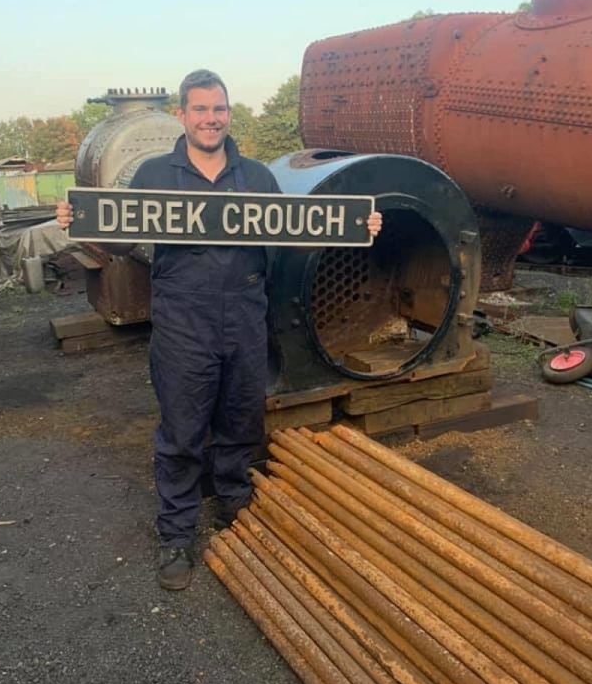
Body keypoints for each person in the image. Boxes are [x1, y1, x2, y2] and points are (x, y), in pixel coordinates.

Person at [57, 69, 382, 590]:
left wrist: (352, 229)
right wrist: (84, 222)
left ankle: (235, 502)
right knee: (183, 429)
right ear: (183, 116)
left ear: (229, 115)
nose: (212, 119)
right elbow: (119, 246)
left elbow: (294, 237)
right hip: (184, 319)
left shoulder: (256, 177)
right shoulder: (155, 176)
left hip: (245, 316)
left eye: (220, 109)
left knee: (240, 419)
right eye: (201, 110)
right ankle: (177, 533)